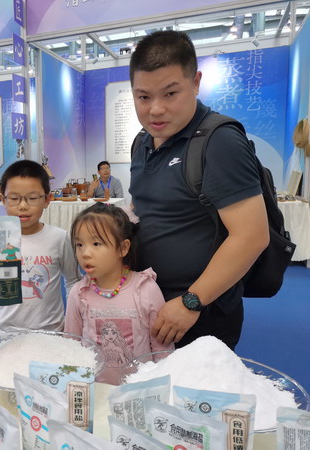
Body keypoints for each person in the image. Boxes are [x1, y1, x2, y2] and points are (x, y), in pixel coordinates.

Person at [128, 30, 269, 350]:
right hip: (148, 304)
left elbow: (252, 236)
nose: (156, 110)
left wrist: (191, 302)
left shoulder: (219, 140)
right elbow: (144, 211)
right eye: (144, 97)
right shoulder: (142, 142)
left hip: (199, 311)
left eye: (170, 93)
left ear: (195, 83)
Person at [64, 203, 172, 384]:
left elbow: (162, 350)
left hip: (138, 390)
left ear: (123, 248)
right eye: (79, 244)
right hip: (95, 390)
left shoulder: (145, 289)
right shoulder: (79, 292)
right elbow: (71, 346)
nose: (85, 253)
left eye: (96, 243)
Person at [0, 160, 79, 340]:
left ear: (47, 199)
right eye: (14, 198)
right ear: (3, 200)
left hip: (52, 332)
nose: (23, 206)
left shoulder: (59, 238)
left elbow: (73, 281)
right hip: (7, 333)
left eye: (32, 198)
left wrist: (73, 322)